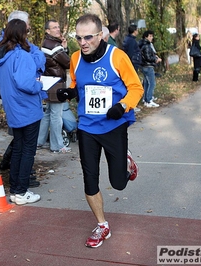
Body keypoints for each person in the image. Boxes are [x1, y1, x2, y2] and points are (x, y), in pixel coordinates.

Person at [56, 14, 142, 248]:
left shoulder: (117, 56)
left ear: (100, 35)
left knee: (118, 184)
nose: (82, 42)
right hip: (87, 127)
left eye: (88, 37)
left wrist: (122, 106)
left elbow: (136, 87)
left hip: (113, 125)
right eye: (78, 38)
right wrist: (70, 92)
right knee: (89, 178)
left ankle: (125, 159)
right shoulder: (75, 58)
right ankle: (102, 225)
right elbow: (76, 83)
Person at [0, 19, 44, 205]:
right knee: (28, 151)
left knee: (18, 149)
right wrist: (39, 85)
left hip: (13, 107)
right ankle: (21, 191)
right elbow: (25, 83)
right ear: (23, 34)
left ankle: (16, 190)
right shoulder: (21, 56)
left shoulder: (0, 56)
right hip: (27, 108)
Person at [37, 19, 71, 153]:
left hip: (48, 82)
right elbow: (68, 63)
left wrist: (64, 47)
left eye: (58, 27)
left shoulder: (47, 43)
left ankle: (39, 141)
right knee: (56, 115)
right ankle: (57, 145)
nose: (58, 29)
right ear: (48, 31)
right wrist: (65, 49)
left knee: (48, 114)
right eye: (54, 27)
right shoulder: (54, 46)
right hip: (56, 83)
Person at [139, 30, 162, 108]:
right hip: (148, 66)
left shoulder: (144, 44)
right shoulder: (146, 46)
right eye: (150, 36)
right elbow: (148, 57)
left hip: (145, 66)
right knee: (151, 83)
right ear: (146, 37)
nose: (151, 38)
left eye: (152, 36)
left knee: (146, 83)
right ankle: (148, 100)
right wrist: (156, 60)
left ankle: (145, 99)